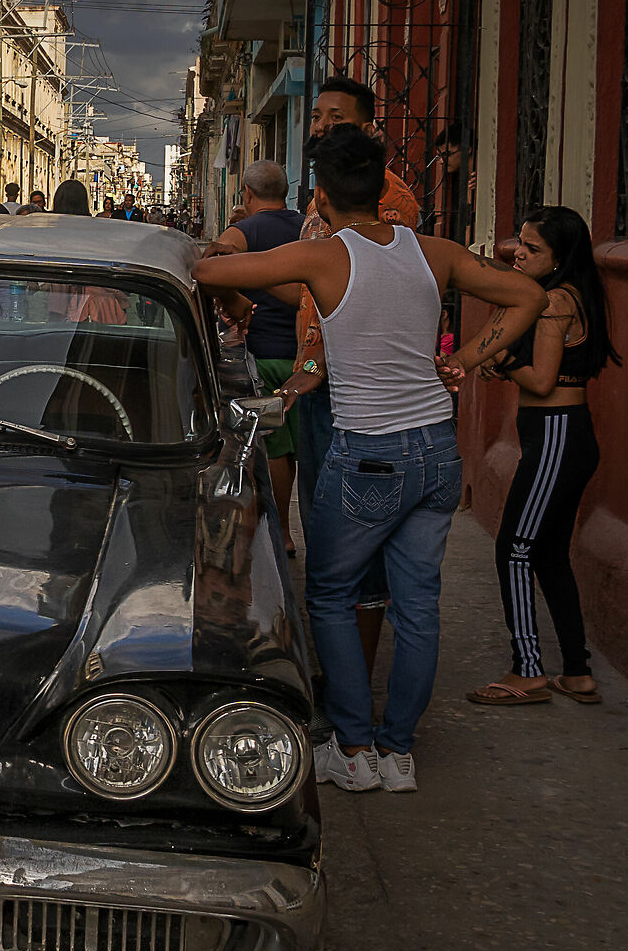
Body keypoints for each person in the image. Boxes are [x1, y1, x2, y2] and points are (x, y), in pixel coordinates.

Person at [197, 128, 545, 794]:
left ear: (321, 195)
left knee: (331, 594)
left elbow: (210, 271)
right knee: (418, 604)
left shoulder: (323, 256)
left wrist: (220, 247)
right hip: (437, 450)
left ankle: (354, 751)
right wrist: (465, 360)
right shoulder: (435, 252)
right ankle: (398, 753)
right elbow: (525, 296)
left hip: (369, 453)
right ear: (384, 185)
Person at [287, 75, 425, 676]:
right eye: (317, 116)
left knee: (352, 540)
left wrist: (313, 364)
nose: (320, 125)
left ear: (369, 129)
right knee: (325, 526)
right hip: (322, 383)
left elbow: (355, 290)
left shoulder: (382, 201)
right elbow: (310, 290)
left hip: (354, 390)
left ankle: (351, 682)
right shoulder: (322, 198)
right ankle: (338, 665)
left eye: (335, 117)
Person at [462, 207, 620, 708]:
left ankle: (528, 670)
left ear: (559, 258)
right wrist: (507, 362)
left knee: (514, 547)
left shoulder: (554, 301)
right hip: (563, 436)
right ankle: (577, 673)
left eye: (533, 249)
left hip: (556, 434)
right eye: (520, 243)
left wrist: (504, 361)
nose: (518, 253)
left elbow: (543, 381)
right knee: (548, 554)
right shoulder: (566, 295)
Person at [208, 160, 305, 553]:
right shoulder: (309, 227)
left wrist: (238, 302)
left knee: (276, 450)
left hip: (260, 359)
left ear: (246, 194)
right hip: (307, 361)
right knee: (300, 451)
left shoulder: (243, 231)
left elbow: (213, 269)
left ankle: (281, 532)